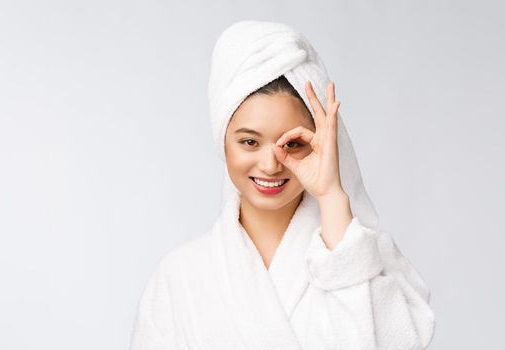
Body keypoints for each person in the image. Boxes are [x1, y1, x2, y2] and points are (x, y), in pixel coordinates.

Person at [130, 20, 435, 350]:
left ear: (320, 143)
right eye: (249, 142)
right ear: (223, 143)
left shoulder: (367, 259)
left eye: (292, 144)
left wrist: (332, 197)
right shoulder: (179, 277)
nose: (270, 164)